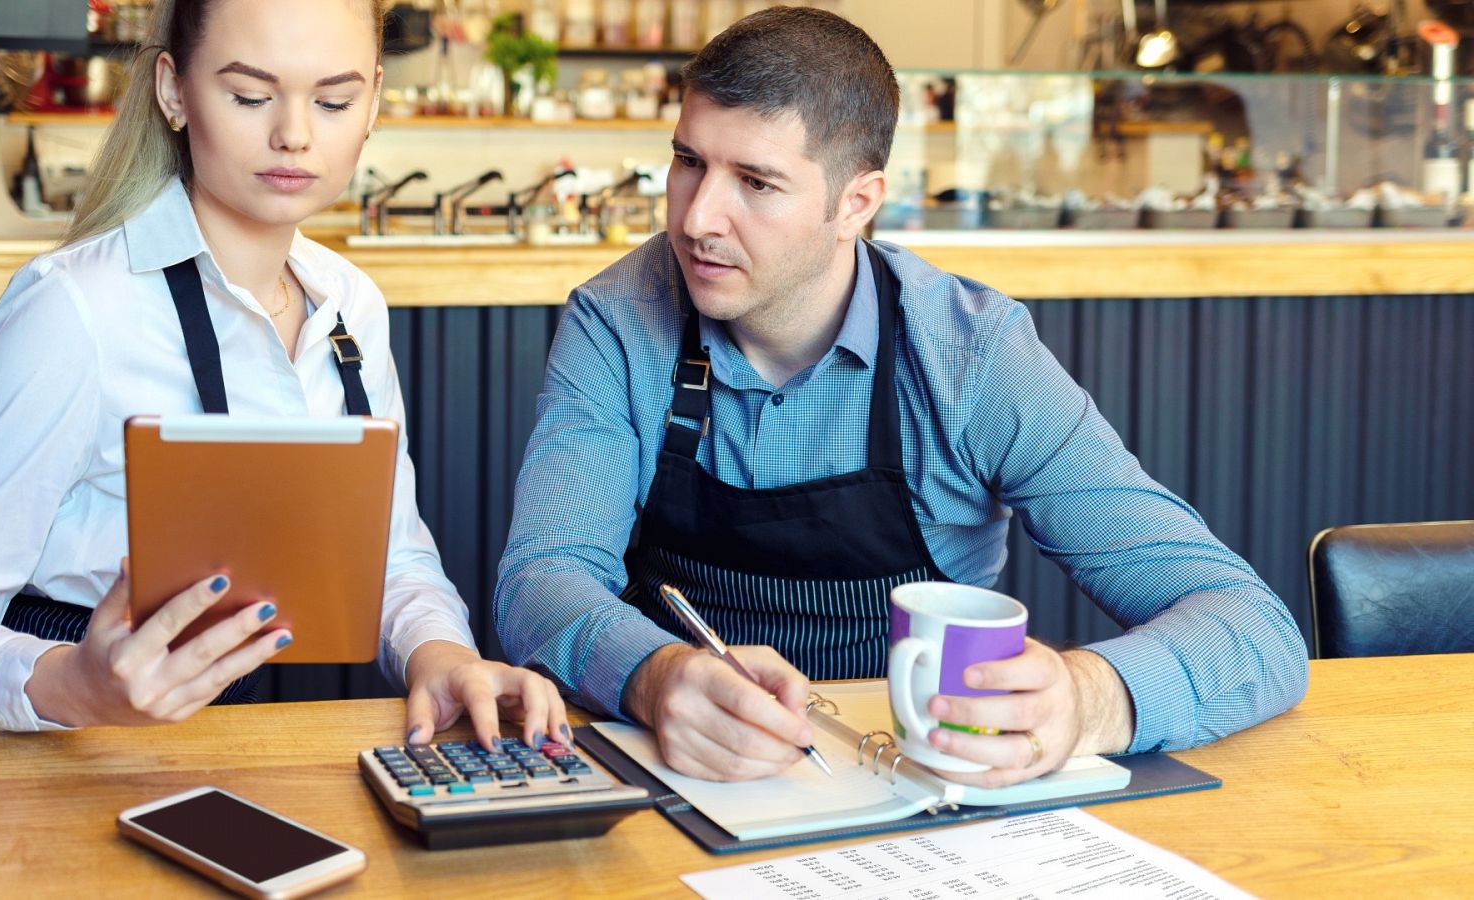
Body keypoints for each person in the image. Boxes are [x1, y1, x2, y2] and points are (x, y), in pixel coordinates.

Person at [495, 8, 1308, 786]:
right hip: (684, 774)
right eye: (688, 161)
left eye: (756, 182)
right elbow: (542, 579)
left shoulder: (971, 355)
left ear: (857, 203)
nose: (698, 216)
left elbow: (1253, 626)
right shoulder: (617, 320)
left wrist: (1090, 701)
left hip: (922, 787)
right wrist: (652, 674)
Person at [0, 0, 566, 750]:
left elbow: (391, 552)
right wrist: (74, 683)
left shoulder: (350, 305)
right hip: (60, 758)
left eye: (334, 101)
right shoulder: (74, 310)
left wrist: (443, 655)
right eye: (249, 96)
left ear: (373, 102)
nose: (294, 135)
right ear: (174, 90)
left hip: (245, 744)